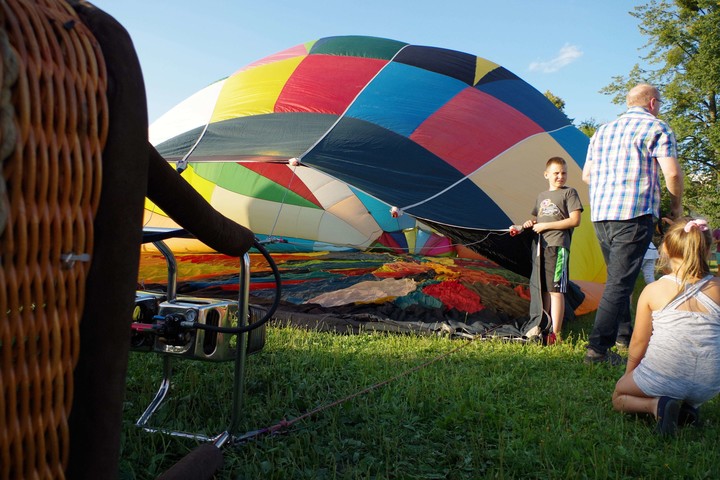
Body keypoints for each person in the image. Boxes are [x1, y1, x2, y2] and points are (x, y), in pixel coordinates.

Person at [582, 83, 683, 365]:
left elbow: (587, 175)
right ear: (652, 103)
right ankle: (597, 351)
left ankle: (623, 337)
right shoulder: (657, 127)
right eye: (659, 102)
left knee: (619, 280)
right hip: (634, 212)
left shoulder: (602, 131)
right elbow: (672, 173)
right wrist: (675, 208)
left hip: (602, 214)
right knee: (619, 283)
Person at [612, 218, 720, 435]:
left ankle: (657, 405)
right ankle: (689, 408)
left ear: (666, 250)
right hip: (709, 385)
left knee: (618, 397)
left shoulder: (654, 289)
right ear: (708, 250)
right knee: (693, 379)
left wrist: (630, 373)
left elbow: (639, 342)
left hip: (663, 377)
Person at [518, 156, 582, 344]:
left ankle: (557, 332)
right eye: (556, 173)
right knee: (544, 289)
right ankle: (544, 326)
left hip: (558, 247)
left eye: (563, 173)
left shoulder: (569, 193)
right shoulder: (541, 197)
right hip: (541, 247)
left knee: (556, 290)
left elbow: (574, 220)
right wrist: (531, 223)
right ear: (546, 175)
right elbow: (539, 220)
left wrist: (545, 227)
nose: (560, 176)